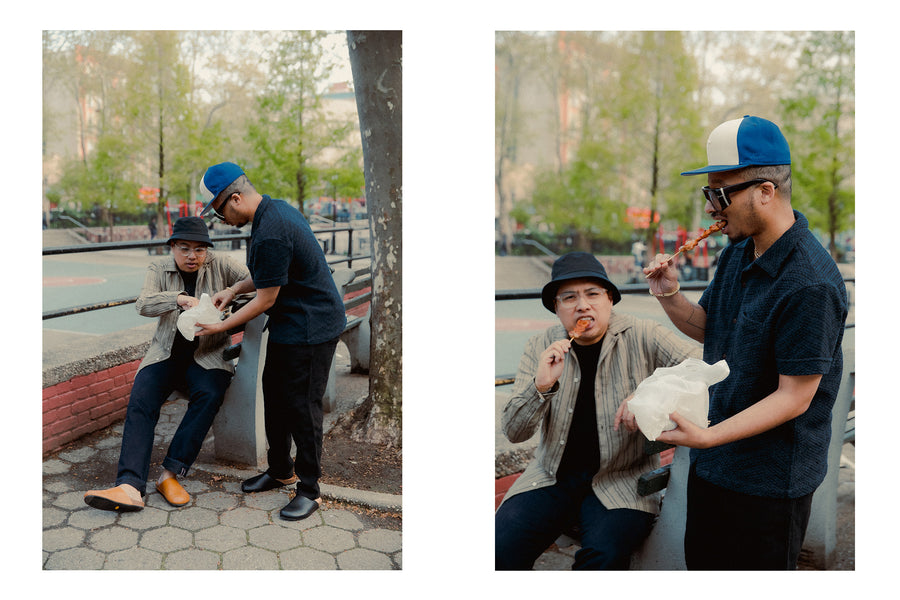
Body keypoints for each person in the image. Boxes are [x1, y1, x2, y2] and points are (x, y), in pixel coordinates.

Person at [642, 115, 848, 569]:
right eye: (707, 193)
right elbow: (709, 327)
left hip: (772, 483)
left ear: (765, 192)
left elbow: (794, 397)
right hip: (715, 462)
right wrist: (670, 295)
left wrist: (709, 437)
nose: (711, 207)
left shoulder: (810, 283)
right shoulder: (737, 251)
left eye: (719, 193)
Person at [495, 252, 700, 570]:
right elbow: (514, 431)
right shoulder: (541, 346)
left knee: (602, 559)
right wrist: (541, 388)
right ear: (556, 308)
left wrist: (650, 393)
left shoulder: (642, 334)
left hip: (622, 481)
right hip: (550, 478)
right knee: (498, 551)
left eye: (592, 294)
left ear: (609, 300)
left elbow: (703, 365)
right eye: (569, 298)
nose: (582, 305)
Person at [192, 162, 346, 521]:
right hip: (292, 324)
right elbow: (267, 275)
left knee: (303, 409)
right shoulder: (272, 212)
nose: (222, 221)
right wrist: (232, 289)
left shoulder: (272, 228)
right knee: (274, 394)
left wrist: (221, 327)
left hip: (312, 326)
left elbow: (266, 299)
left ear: (234, 199)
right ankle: (280, 470)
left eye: (219, 213)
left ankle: (309, 490)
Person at [84, 217, 250, 512]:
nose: (192, 256)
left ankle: (170, 474)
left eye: (199, 250)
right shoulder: (158, 268)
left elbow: (257, 281)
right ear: (173, 246)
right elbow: (143, 304)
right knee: (141, 398)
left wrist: (233, 295)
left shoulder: (222, 264)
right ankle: (130, 485)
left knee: (210, 395)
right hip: (165, 354)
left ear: (207, 251)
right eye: (184, 248)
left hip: (208, 356)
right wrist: (178, 299)